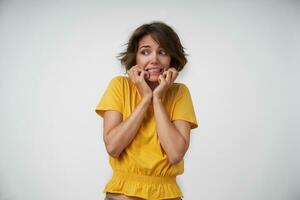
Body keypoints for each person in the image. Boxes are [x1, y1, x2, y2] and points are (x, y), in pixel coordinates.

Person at [95, 21, 198, 200]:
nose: (154, 60)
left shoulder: (180, 93)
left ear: (171, 59)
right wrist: (145, 99)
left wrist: (157, 98)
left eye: (163, 52)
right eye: (145, 52)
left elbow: (175, 154)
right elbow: (113, 147)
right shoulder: (119, 86)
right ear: (135, 58)